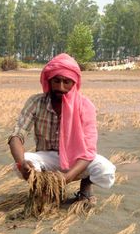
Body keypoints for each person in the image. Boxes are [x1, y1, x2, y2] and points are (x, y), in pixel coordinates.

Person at [8, 53, 116, 202]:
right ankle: (42, 188)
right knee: (21, 163)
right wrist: (23, 163)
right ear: (49, 81)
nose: (61, 87)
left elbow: (88, 152)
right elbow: (16, 136)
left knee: (106, 170)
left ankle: (85, 185)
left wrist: (67, 178)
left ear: (74, 83)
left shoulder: (85, 106)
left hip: (76, 159)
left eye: (67, 82)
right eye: (56, 81)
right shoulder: (36, 102)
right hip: (47, 158)